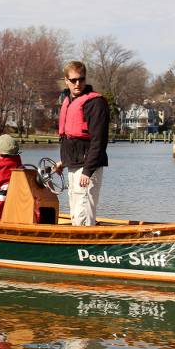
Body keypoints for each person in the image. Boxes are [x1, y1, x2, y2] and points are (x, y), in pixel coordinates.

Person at [54, 61, 110, 226]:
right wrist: (63, 162)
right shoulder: (68, 100)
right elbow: (73, 141)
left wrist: (87, 171)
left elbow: (98, 142)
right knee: (76, 211)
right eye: (73, 80)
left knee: (83, 215)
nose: (78, 83)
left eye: (81, 79)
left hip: (88, 168)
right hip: (74, 165)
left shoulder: (95, 103)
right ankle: (79, 246)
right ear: (66, 80)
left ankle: (86, 249)